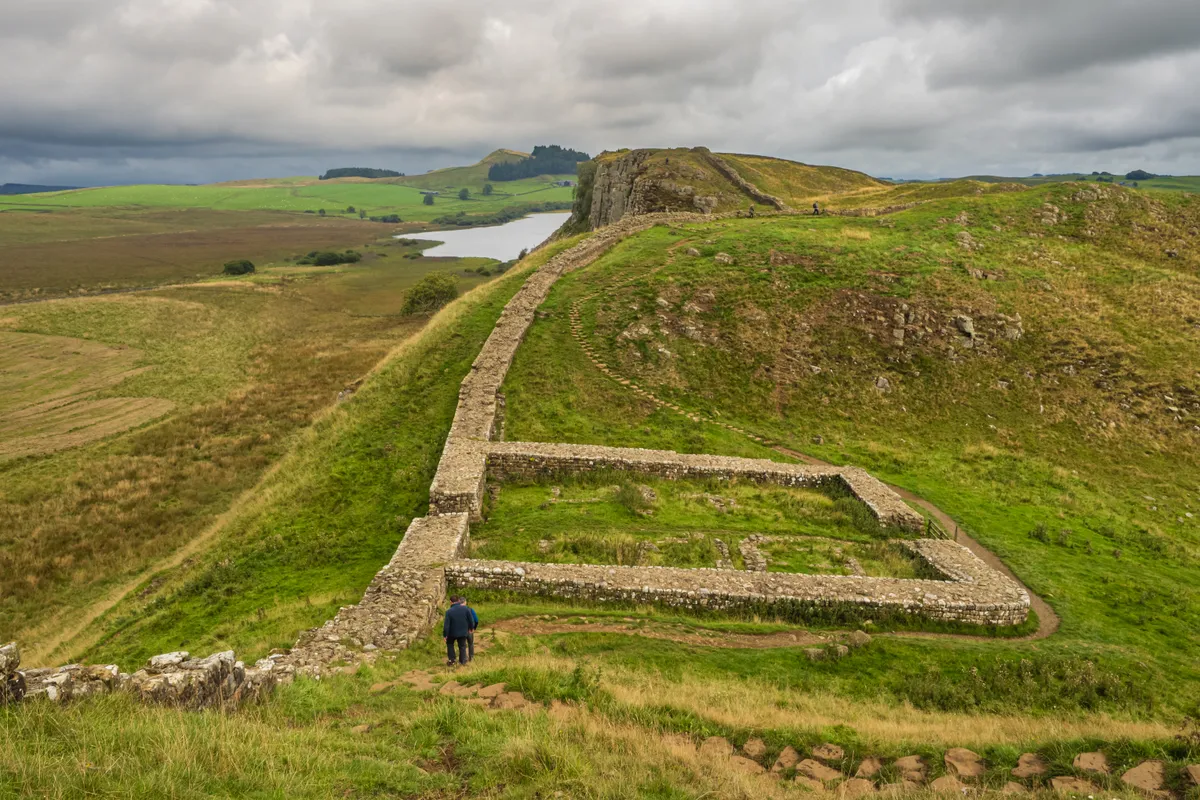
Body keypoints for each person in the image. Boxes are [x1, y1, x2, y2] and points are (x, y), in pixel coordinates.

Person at [442, 595, 472, 667]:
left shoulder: (449, 612)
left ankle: (452, 660)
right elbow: (470, 620)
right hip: (463, 631)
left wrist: (445, 635)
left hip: (452, 633)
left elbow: (446, 625)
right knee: (462, 646)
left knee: (450, 644)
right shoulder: (466, 609)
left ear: (450, 602)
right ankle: (463, 661)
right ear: (458, 600)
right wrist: (471, 628)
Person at [462, 597, 479, 661]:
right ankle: (471, 657)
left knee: (463, 645)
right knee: (470, 643)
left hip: (462, 630)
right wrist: (474, 628)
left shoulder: (457, 611)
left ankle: (464, 658)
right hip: (470, 629)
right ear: (465, 602)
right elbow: (476, 620)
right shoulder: (471, 610)